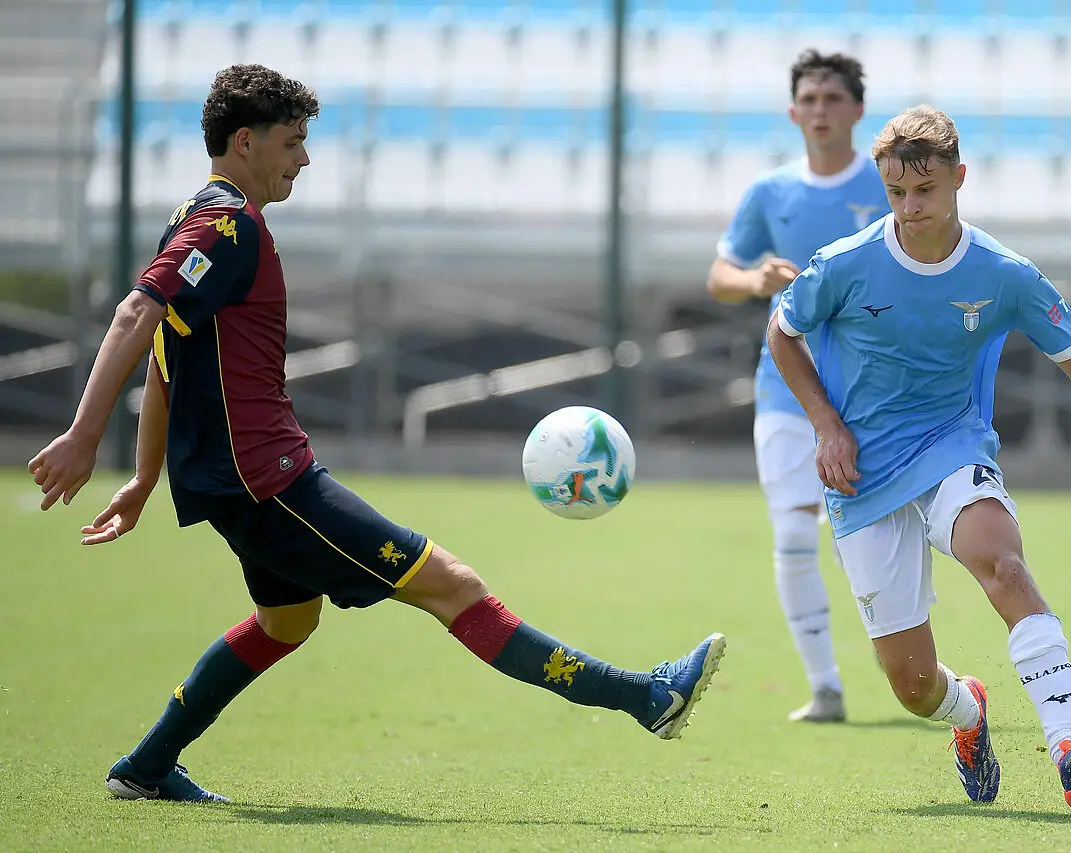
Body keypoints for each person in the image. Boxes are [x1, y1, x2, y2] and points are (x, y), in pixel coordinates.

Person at [28, 65, 726, 804]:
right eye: (292, 142)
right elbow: (137, 316)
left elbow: (169, 358)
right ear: (245, 141)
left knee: (286, 621)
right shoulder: (226, 226)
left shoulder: (197, 217)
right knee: (453, 587)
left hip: (246, 479)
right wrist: (84, 434)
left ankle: (146, 766)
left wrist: (145, 477)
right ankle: (645, 696)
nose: (304, 159)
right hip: (270, 481)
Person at [766, 104, 1071, 810]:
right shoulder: (844, 264)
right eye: (896, 192)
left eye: (925, 190)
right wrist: (826, 426)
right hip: (861, 474)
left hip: (951, 445)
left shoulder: (1005, 275)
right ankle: (968, 709)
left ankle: (1070, 746)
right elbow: (783, 332)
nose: (910, 207)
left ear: (959, 177)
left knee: (1003, 561)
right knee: (913, 688)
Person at [706, 49, 891, 724]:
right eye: (808, 99)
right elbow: (719, 277)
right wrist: (753, 280)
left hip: (874, 391)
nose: (819, 111)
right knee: (791, 534)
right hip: (784, 387)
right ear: (792, 112)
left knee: (870, 543)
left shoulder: (888, 185)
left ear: (857, 110)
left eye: (832, 98)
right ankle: (826, 687)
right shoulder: (770, 192)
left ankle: (915, 668)